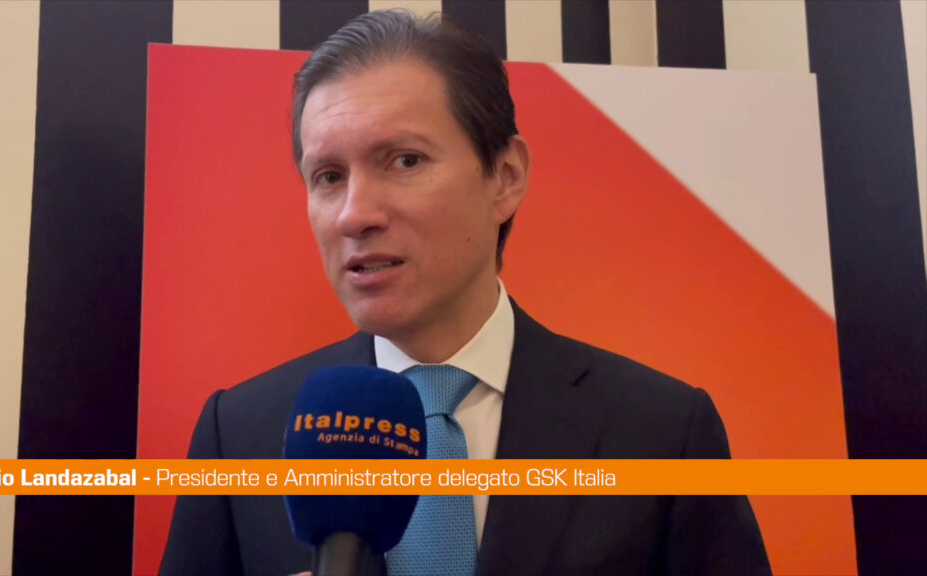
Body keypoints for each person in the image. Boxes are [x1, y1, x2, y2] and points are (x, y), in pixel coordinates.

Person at [160, 10, 770, 576]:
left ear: (505, 177)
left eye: (404, 161)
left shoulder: (662, 433)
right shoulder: (237, 435)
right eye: (329, 176)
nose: (354, 214)